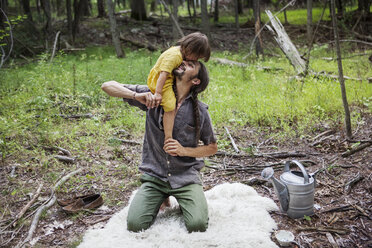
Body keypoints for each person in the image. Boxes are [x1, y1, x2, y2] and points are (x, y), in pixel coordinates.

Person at [101, 60, 217, 233]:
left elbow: (212, 147)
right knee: (135, 224)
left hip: (186, 177)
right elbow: (107, 86)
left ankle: (183, 199)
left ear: (196, 81)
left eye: (191, 65)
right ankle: (161, 197)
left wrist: (183, 150)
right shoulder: (154, 96)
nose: (183, 62)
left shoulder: (199, 110)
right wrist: (135, 96)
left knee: (197, 225)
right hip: (155, 177)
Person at [147, 32, 210, 144]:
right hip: (161, 83)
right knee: (170, 106)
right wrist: (158, 93)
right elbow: (163, 74)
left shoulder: (177, 51)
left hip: (164, 79)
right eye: (196, 57)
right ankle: (168, 137)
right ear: (191, 49)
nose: (195, 60)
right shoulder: (175, 56)